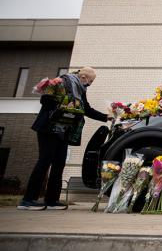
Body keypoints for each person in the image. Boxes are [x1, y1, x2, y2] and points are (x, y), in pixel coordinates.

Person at [18, 67, 112, 210]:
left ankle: (51, 200)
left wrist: (106, 117)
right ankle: (28, 200)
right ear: (83, 77)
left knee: (59, 163)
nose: (90, 84)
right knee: (44, 161)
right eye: (90, 81)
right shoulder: (60, 82)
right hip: (49, 128)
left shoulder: (80, 91)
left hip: (64, 131)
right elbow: (45, 100)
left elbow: (86, 109)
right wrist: (65, 105)